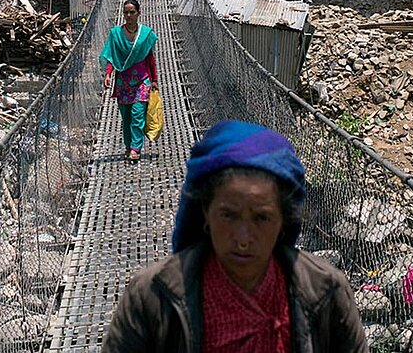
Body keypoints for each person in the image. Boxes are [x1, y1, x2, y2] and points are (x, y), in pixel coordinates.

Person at [103, 120, 367, 352]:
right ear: (205, 212)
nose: (243, 238)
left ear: (283, 221)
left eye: (261, 218)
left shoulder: (326, 291)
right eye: (228, 215)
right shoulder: (151, 296)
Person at [100, 0, 158, 163]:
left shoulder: (146, 34)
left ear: (139, 13)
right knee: (126, 118)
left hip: (142, 81)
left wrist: (154, 79)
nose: (129, 15)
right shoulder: (116, 34)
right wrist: (108, 74)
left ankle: (135, 148)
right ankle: (128, 145)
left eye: (132, 12)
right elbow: (111, 56)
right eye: (126, 12)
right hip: (123, 82)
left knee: (137, 115)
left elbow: (150, 58)